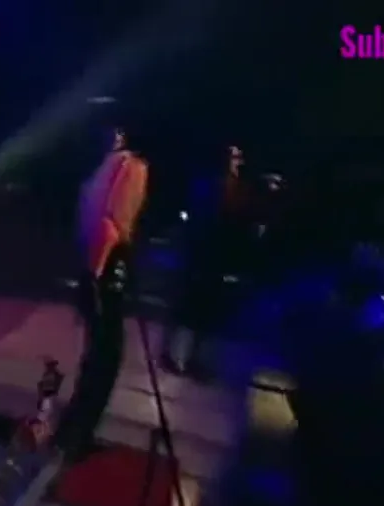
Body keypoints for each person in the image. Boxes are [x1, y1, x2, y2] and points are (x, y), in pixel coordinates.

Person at [53, 123, 149, 460]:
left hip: (93, 268)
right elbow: (111, 226)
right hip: (106, 268)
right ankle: (77, 437)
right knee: (106, 358)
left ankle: (72, 431)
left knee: (96, 356)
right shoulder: (131, 167)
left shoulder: (97, 172)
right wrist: (98, 275)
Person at [162, 144, 258, 380]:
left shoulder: (239, 188)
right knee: (190, 310)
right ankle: (177, 357)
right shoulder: (209, 186)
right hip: (202, 257)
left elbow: (239, 223)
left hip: (219, 258)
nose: (238, 161)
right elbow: (202, 221)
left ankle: (196, 360)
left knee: (208, 314)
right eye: (234, 157)